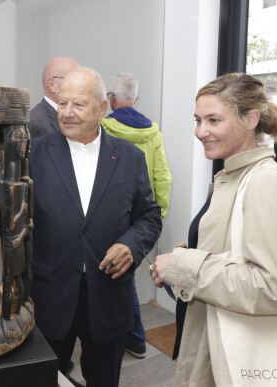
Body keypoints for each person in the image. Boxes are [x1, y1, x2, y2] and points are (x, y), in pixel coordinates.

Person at [151, 73, 277, 386]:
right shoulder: (232, 176)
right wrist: (180, 259)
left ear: (251, 119)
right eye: (198, 120)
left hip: (234, 360)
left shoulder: (265, 182)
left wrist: (182, 265)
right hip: (214, 343)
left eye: (213, 120)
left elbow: (274, 288)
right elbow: (231, 251)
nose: (201, 131)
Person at [29, 67, 162, 387]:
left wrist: (131, 245)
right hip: (52, 293)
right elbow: (14, 213)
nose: (67, 113)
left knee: (104, 379)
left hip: (107, 293)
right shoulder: (35, 153)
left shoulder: (129, 157)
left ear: (103, 108)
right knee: (47, 379)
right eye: (62, 104)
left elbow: (150, 215)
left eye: (78, 104)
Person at [100, 72, 172, 359]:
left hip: (113, 214)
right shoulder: (152, 131)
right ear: (136, 99)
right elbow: (163, 177)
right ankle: (131, 338)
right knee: (123, 273)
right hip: (143, 214)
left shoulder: (103, 128)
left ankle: (133, 338)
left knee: (119, 275)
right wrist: (157, 215)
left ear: (111, 99)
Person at [28, 56, 79, 139]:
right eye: (74, 80)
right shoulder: (34, 122)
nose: (80, 86)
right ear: (52, 84)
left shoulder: (78, 118)